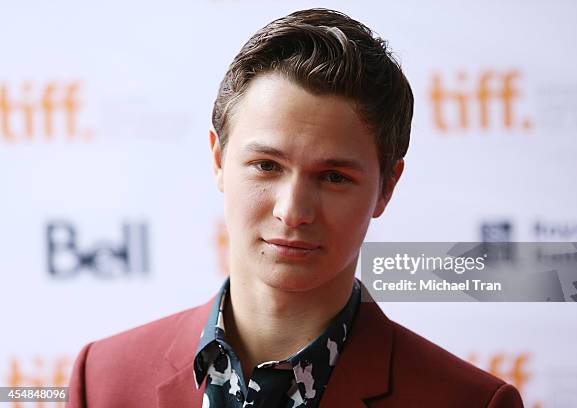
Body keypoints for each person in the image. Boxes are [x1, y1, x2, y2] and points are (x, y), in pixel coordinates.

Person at [68, 8, 523, 408]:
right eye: (266, 165)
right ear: (218, 161)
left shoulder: (469, 402)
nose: (293, 211)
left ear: (387, 187)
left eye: (333, 177)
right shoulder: (103, 379)